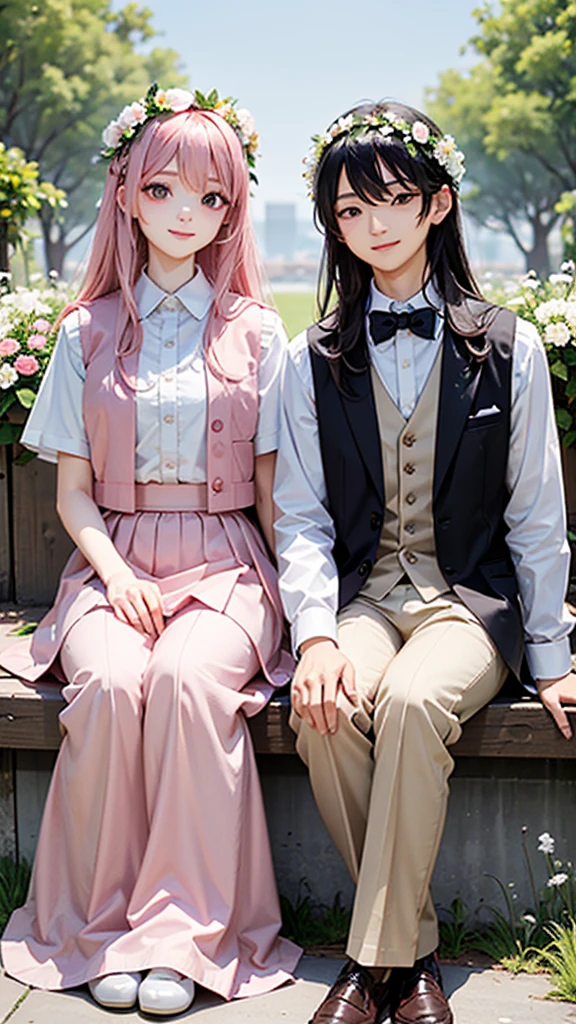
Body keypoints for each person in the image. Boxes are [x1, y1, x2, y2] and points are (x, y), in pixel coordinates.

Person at [0, 83, 300, 1017]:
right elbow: (73, 496)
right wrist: (119, 576)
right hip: (113, 558)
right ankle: (92, 926)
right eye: (165, 190)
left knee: (182, 682)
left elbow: (281, 495)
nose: (188, 215)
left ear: (231, 211)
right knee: (111, 686)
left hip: (227, 561)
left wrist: (312, 616)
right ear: (127, 193)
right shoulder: (85, 332)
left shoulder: (256, 332)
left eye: (212, 199)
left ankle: (187, 933)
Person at [273, 99, 576, 1024]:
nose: (371, 225)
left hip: (468, 606)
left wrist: (555, 658)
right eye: (350, 211)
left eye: (391, 200)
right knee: (322, 708)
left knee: (407, 702)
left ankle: (371, 973)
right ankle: (415, 953)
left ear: (437, 205)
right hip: (365, 600)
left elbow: (535, 515)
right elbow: (301, 521)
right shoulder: (308, 359)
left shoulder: (507, 346)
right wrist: (317, 637)